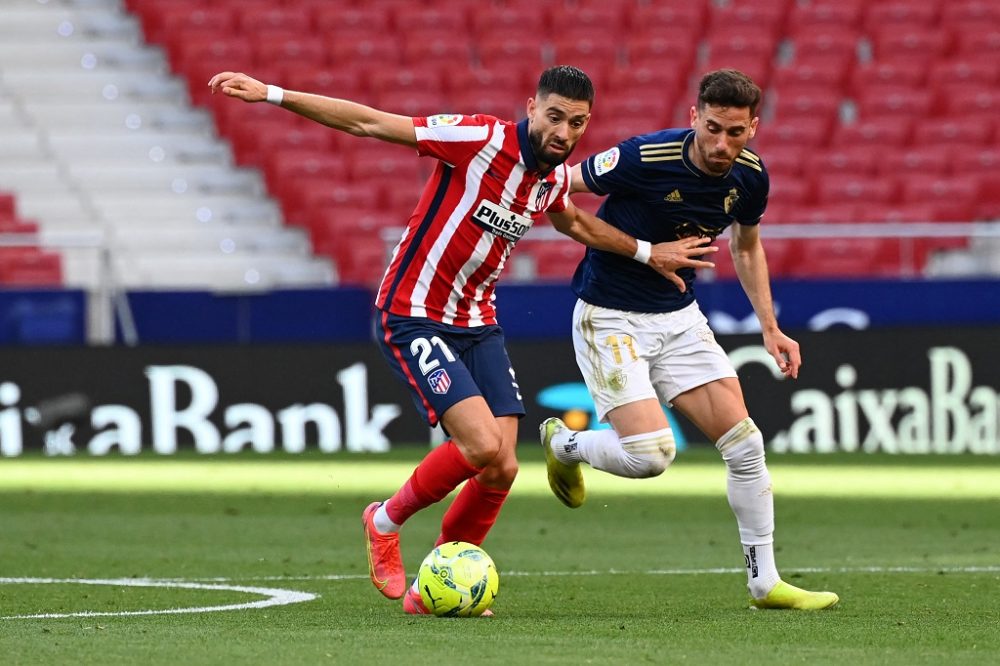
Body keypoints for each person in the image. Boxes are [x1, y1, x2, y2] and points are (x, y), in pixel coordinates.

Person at [209, 66, 714, 615]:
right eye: (554, 117)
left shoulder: (549, 179)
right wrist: (273, 94)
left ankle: (436, 589)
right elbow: (372, 124)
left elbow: (577, 225)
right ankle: (383, 521)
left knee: (502, 466)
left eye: (577, 123)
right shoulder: (480, 139)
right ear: (531, 107)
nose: (564, 133)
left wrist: (646, 251)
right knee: (478, 445)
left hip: (477, 321)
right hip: (413, 312)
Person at [539, 69, 840, 610]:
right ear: (694, 118)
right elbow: (557, 188)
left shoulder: (750, 177)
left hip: (678, 318)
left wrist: (770, 326)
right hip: (610, 316)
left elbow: (746, 248)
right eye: (714, 129)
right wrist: (642, 249)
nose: (723, 144)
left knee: (746, 446)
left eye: (737, 132)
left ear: (753, 127)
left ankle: (765, 583)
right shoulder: (642, 158)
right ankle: (565, 444)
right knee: (652, 455)